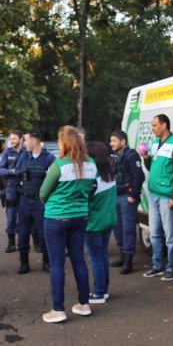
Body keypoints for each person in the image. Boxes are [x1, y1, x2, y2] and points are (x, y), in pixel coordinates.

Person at [39, 126, 96, 323]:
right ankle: (84, 304)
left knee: (57, 263)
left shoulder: (58, 165)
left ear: (65, 143)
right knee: (79, 260)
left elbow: (43, 194)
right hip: (80, 217)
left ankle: (58, 309)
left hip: (56, 218)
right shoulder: (91, 164)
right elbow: (91, 189)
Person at [140, 114, 173, 281]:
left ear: (164, 125)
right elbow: (151, 166)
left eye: (154, 125)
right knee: (154, 233)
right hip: (153, 194)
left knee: (170, 236)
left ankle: (172, 268)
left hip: (167, 197)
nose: (152, 128)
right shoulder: (154, 143)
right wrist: (146, 159)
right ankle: (157, 265)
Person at [13, 129, 55, 274]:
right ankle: (24, 263)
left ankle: (46, 262)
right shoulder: (24, 156)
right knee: (23, 233)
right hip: (24, 200)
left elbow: (55, 179)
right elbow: (16, 172)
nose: (24, 143)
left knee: (44, 233)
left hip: (41, 202)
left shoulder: (49, 158)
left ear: (34, 140)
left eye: (26, 140)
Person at [85, 141, 117, 304]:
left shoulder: (93, 177)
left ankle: (99, 292)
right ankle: (104, 289)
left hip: (94, 223)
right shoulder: (110, 173)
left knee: (96, 258)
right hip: (108, 220)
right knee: (102, 255)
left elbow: (86, 199)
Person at [109, 130, 144, 274]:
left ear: (123, 142)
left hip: (127, 198)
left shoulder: (131, 155)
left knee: (128, 229)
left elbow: (139, 176)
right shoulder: (113, 156)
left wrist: (133, 195)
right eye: (111, 141)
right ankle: (123, 255)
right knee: (118, 229)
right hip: (115, 196)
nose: (111, 144)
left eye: (114, 141)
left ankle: (128, 259)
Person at [0, 130, 23, 253]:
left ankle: (32, 243)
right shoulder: (7, 152)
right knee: (11, 215)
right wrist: (12, 172)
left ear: (21, 139)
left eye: (14, 139)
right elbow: (0, 170)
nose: (11, 141)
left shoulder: (26, 152)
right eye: (10, 139)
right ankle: (11, 243)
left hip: (25, 188)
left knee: (27, 215)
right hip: (11, 188)